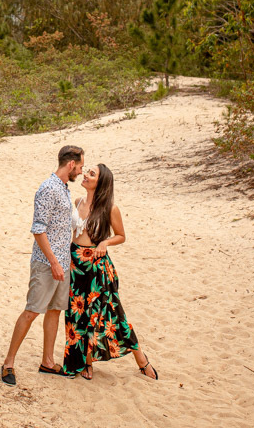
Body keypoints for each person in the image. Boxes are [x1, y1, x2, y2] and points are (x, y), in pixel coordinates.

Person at [62, 163, 157, 380]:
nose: (85, 175)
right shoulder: (77, 201)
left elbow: (121, 235)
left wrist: (105, 242)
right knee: (77, 315)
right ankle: (85, 363)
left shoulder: (110, 208)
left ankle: (141, 359)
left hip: (97, 267)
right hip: (75, 265)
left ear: (101, 182)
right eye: (87, 172)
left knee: (112, 314)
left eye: (91, 174)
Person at [0, 145, 84, 386]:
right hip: (47, 264)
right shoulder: (48, 189)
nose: (80, 171)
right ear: (70, 164)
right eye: (79, 166)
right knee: (32, 311)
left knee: (55, 310)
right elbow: (38, 229)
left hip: (62, 263)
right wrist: (54, 263)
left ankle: (48, 361)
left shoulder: (65, 189)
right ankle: (8, 363)